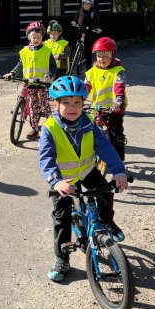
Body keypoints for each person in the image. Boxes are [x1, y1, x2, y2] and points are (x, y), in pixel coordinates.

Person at [39, 75, 128, 282]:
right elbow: (46, 159)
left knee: (106, 192)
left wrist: (118, 171)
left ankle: (107, 222)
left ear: (83, 103)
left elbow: (104, 147)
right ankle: (62, 259)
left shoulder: (88, 122)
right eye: (66, 103)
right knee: (62, 216)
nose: (73, 108)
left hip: (87, 171)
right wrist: (56, 181)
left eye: (77, 102)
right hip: (64, 179)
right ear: (55, 105)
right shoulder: (50, 128)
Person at [3, 21, 57, 140]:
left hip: (43, 84)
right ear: (29, 37)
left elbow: (53, 66)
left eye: (39, 37)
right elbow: (20, 65)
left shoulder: (47, 51)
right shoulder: (25, 51)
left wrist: (49, 74)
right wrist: (12, 73)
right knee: (33, 107)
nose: (36, 39)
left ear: (42, 37)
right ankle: (35, 129)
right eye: (34, 37)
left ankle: (53, 128)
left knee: (45, 106)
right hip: (30, 84)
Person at [85, 36, 127, 160]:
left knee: (116, 133)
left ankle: (119, 161)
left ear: (112, 56)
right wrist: (78, 99)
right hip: (97, 108)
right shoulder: (92, 72)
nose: (102, 59)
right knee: (92, 132)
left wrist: (119, 99)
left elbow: (119, 85)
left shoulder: (118, 71)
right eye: (99, 56)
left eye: (105, 56)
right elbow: (85, 87)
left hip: (115, 108)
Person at [71, 0, 102, 68]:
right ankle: (70, 62)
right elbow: (75, 18)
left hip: (89, 31)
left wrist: (98, 28)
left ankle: (88, 70)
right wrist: (74, 22)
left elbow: (96, 22)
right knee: (74, 46)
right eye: (84, 3)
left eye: (88, 4)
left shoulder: (93, 12)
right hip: (80, 29)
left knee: (88, 52)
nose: (86, 5)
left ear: (91, 5)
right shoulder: (80, 10)